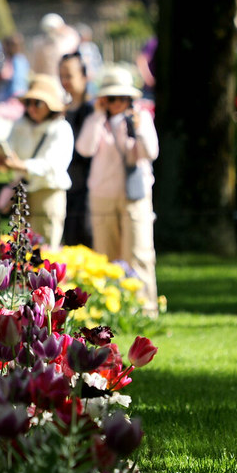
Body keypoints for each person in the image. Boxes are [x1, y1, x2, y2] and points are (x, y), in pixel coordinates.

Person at [75, 66, 159, 314]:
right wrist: (99, 115)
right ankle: (111, 311)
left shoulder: (141, 118)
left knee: (138, 254)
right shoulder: (97, 120)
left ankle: (145, 312)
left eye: (122, 97)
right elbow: (85, 149)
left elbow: (150, 152)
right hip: (102, 196)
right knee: (106, 256)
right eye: (111, 98)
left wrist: (135, 128)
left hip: (135, 196)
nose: (117, 103)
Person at [0, 74, 74, 251]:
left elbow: (52, 165)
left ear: (50, 105)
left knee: (44, 250)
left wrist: (20, 165)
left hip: (48, 193)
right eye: (28, 103)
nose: (31, 108)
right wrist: (2, 161)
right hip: (23, 191)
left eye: (37, 103)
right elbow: (10, 152)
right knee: (19, 247)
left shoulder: (61, 128)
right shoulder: (19, 125)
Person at [59, 52, 95, 247]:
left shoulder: (93, 112)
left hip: (87, 188)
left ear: (84, 77)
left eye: (69, 75)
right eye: (61, 76)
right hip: (67, 186)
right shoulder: (59, 111)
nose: (65, 81)